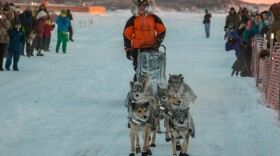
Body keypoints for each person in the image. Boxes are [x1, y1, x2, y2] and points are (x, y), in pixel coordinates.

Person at [123, 0, 166, 82]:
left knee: (155, 70)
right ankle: (137, 88)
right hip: (137, 50)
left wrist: (158, 41)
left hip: (152, 48)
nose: (142, 7)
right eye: (140, 5)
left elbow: (162, 31)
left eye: (144, 5)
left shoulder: (154, 18)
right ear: (136, 6)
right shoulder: (133, 20)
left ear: (148, 6)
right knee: (139, 71)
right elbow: (127, 35)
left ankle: (155, 86)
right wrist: (128, 50)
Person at [0, 1, 10, 71]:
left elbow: (8, 26)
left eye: (1, 7)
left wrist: (3, 19)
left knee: (2, 53)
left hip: (3, 37)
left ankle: (0, 66)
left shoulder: (5, 15)